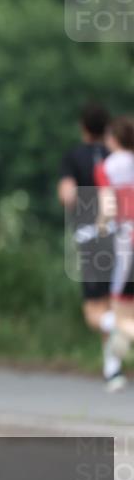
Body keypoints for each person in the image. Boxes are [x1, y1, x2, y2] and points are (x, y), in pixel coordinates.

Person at [59, 103, 120, 386]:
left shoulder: (74, 156)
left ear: (83, 127)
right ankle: (112, 368)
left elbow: (68, 195)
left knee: (94, 311)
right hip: (120, 235)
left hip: (91, 235)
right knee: (110, 302)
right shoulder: (116, 156)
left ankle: (122, 331)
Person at [93, 115, 134, 393]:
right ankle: (112, 371)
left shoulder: (107, 167)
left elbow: (108, 207)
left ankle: (112, 371)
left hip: (126, 241)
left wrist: (99, 229)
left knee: (118, 310)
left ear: (114, 139)